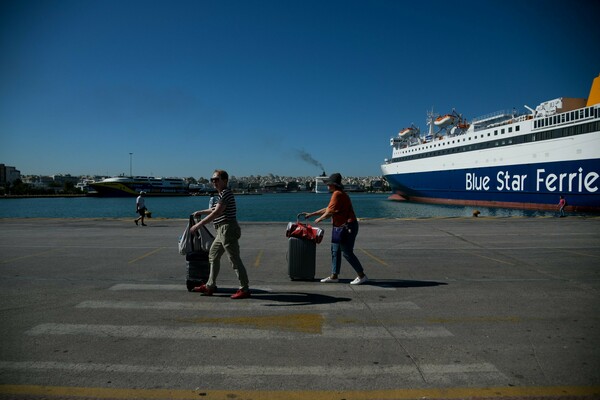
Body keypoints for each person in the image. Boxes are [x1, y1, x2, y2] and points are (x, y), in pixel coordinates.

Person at [189, 170, 251, 299]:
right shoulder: (222, 194)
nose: (214, 182)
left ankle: (244, 289)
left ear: (225, 180)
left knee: (234, 259)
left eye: (216, 180)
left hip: (227, 229)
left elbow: (216, 212)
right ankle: (210, 285)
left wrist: (198, 225)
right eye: (212, 180)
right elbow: (214, 209)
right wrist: (200, 211)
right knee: (213, 255)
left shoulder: (226, 193)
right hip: (221, 231)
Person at [302, 173, 368, 285]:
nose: (327, 186)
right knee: (335, 251)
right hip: (339, 227)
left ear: (334, 185)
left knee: (347, 252)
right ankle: (334, 276)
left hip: (347, 226)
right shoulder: (337, 194)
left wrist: (320, 219)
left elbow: (329, 212)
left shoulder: (337, 194)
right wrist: (312, 214)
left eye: (329, 184)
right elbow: (328, 209)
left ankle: (362, 275)